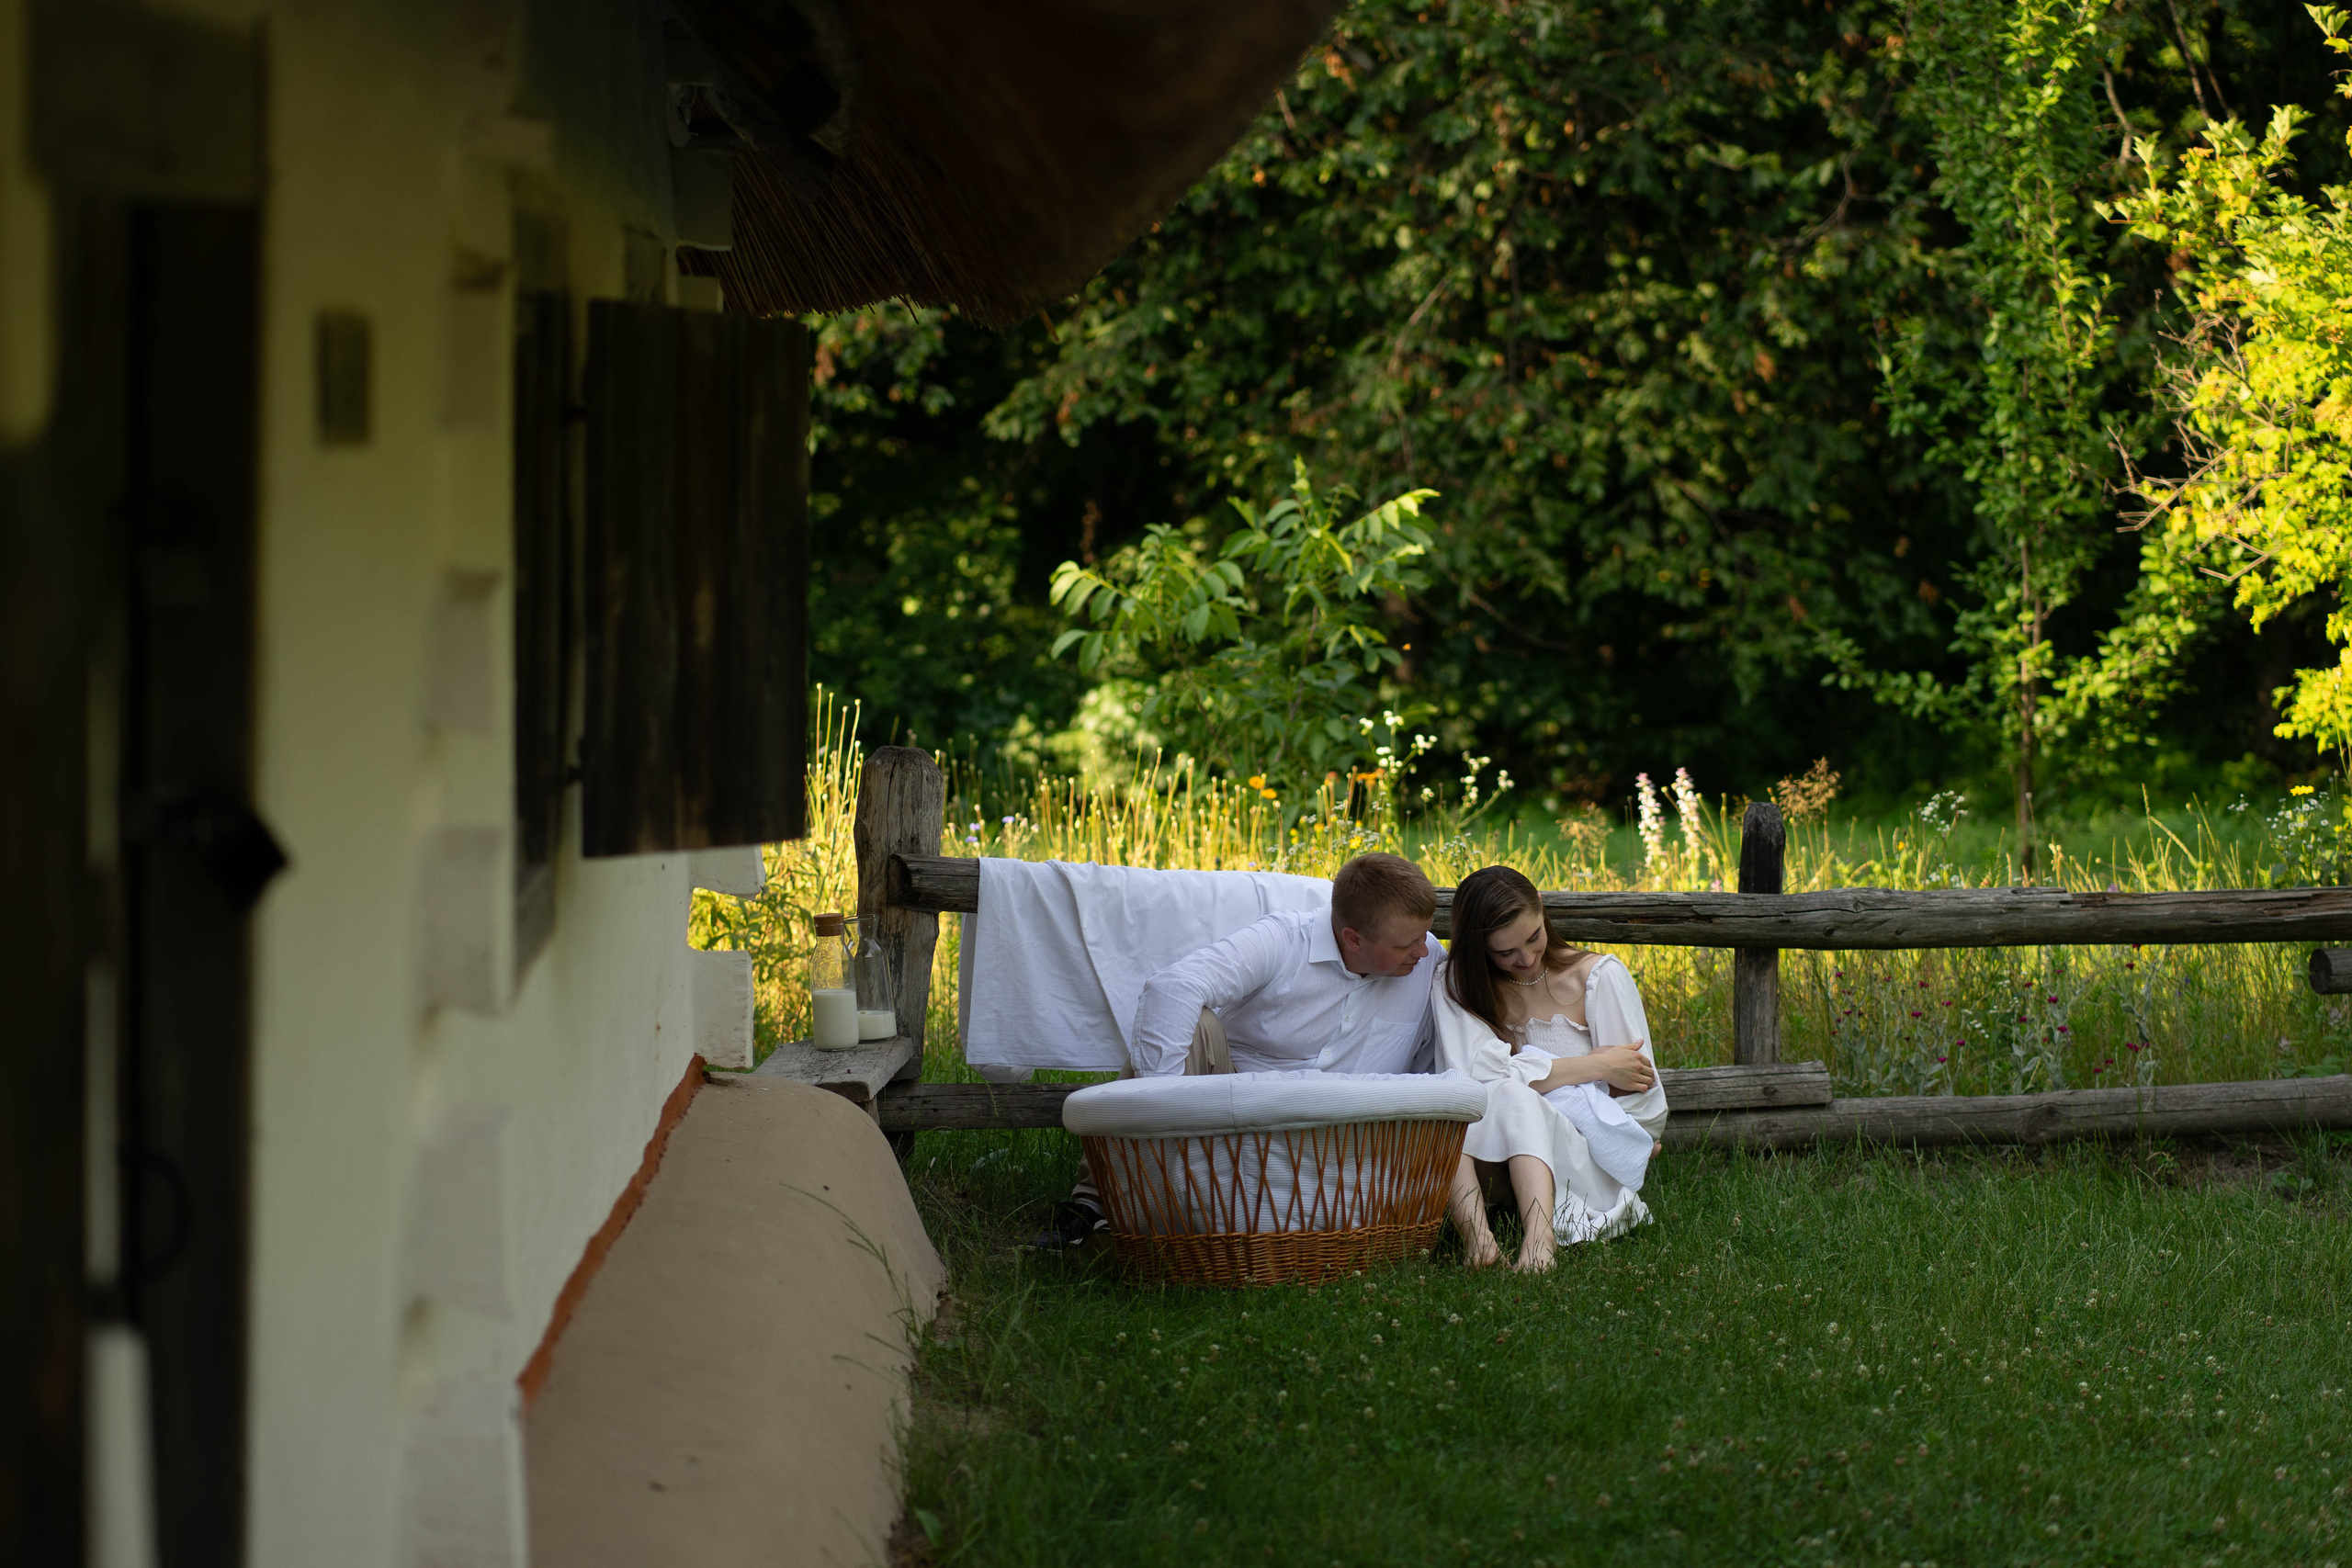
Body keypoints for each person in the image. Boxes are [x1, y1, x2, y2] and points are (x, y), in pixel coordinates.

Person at [1032, 852, 1442, 1247]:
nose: (1423, 951)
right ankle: (1095, 1201)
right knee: (1194, 1023)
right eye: (1408, 944)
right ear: (1353, 938)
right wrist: (1160, 1104)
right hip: (1234, 1116)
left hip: (1344, 1143)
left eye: (1425, 936)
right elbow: (1174, 987)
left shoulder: (1429, 963)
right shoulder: (1284, 939)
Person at [1431, 864, 1668, 1272]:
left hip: (1581, 1153)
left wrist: (1627, 1140)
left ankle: (1540, 1240)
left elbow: (1644, 1105)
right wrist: (1594, 1066)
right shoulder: (1455, 984)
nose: (1525, 958)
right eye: (1505, 952)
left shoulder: (1598, 977)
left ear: (1541, 909)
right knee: (1447, 1103)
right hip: (1490, 1160)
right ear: (1476, 946)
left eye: (1534, 937)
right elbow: (1471, 1080)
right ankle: (1480, 1240)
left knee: (1510, 1092)